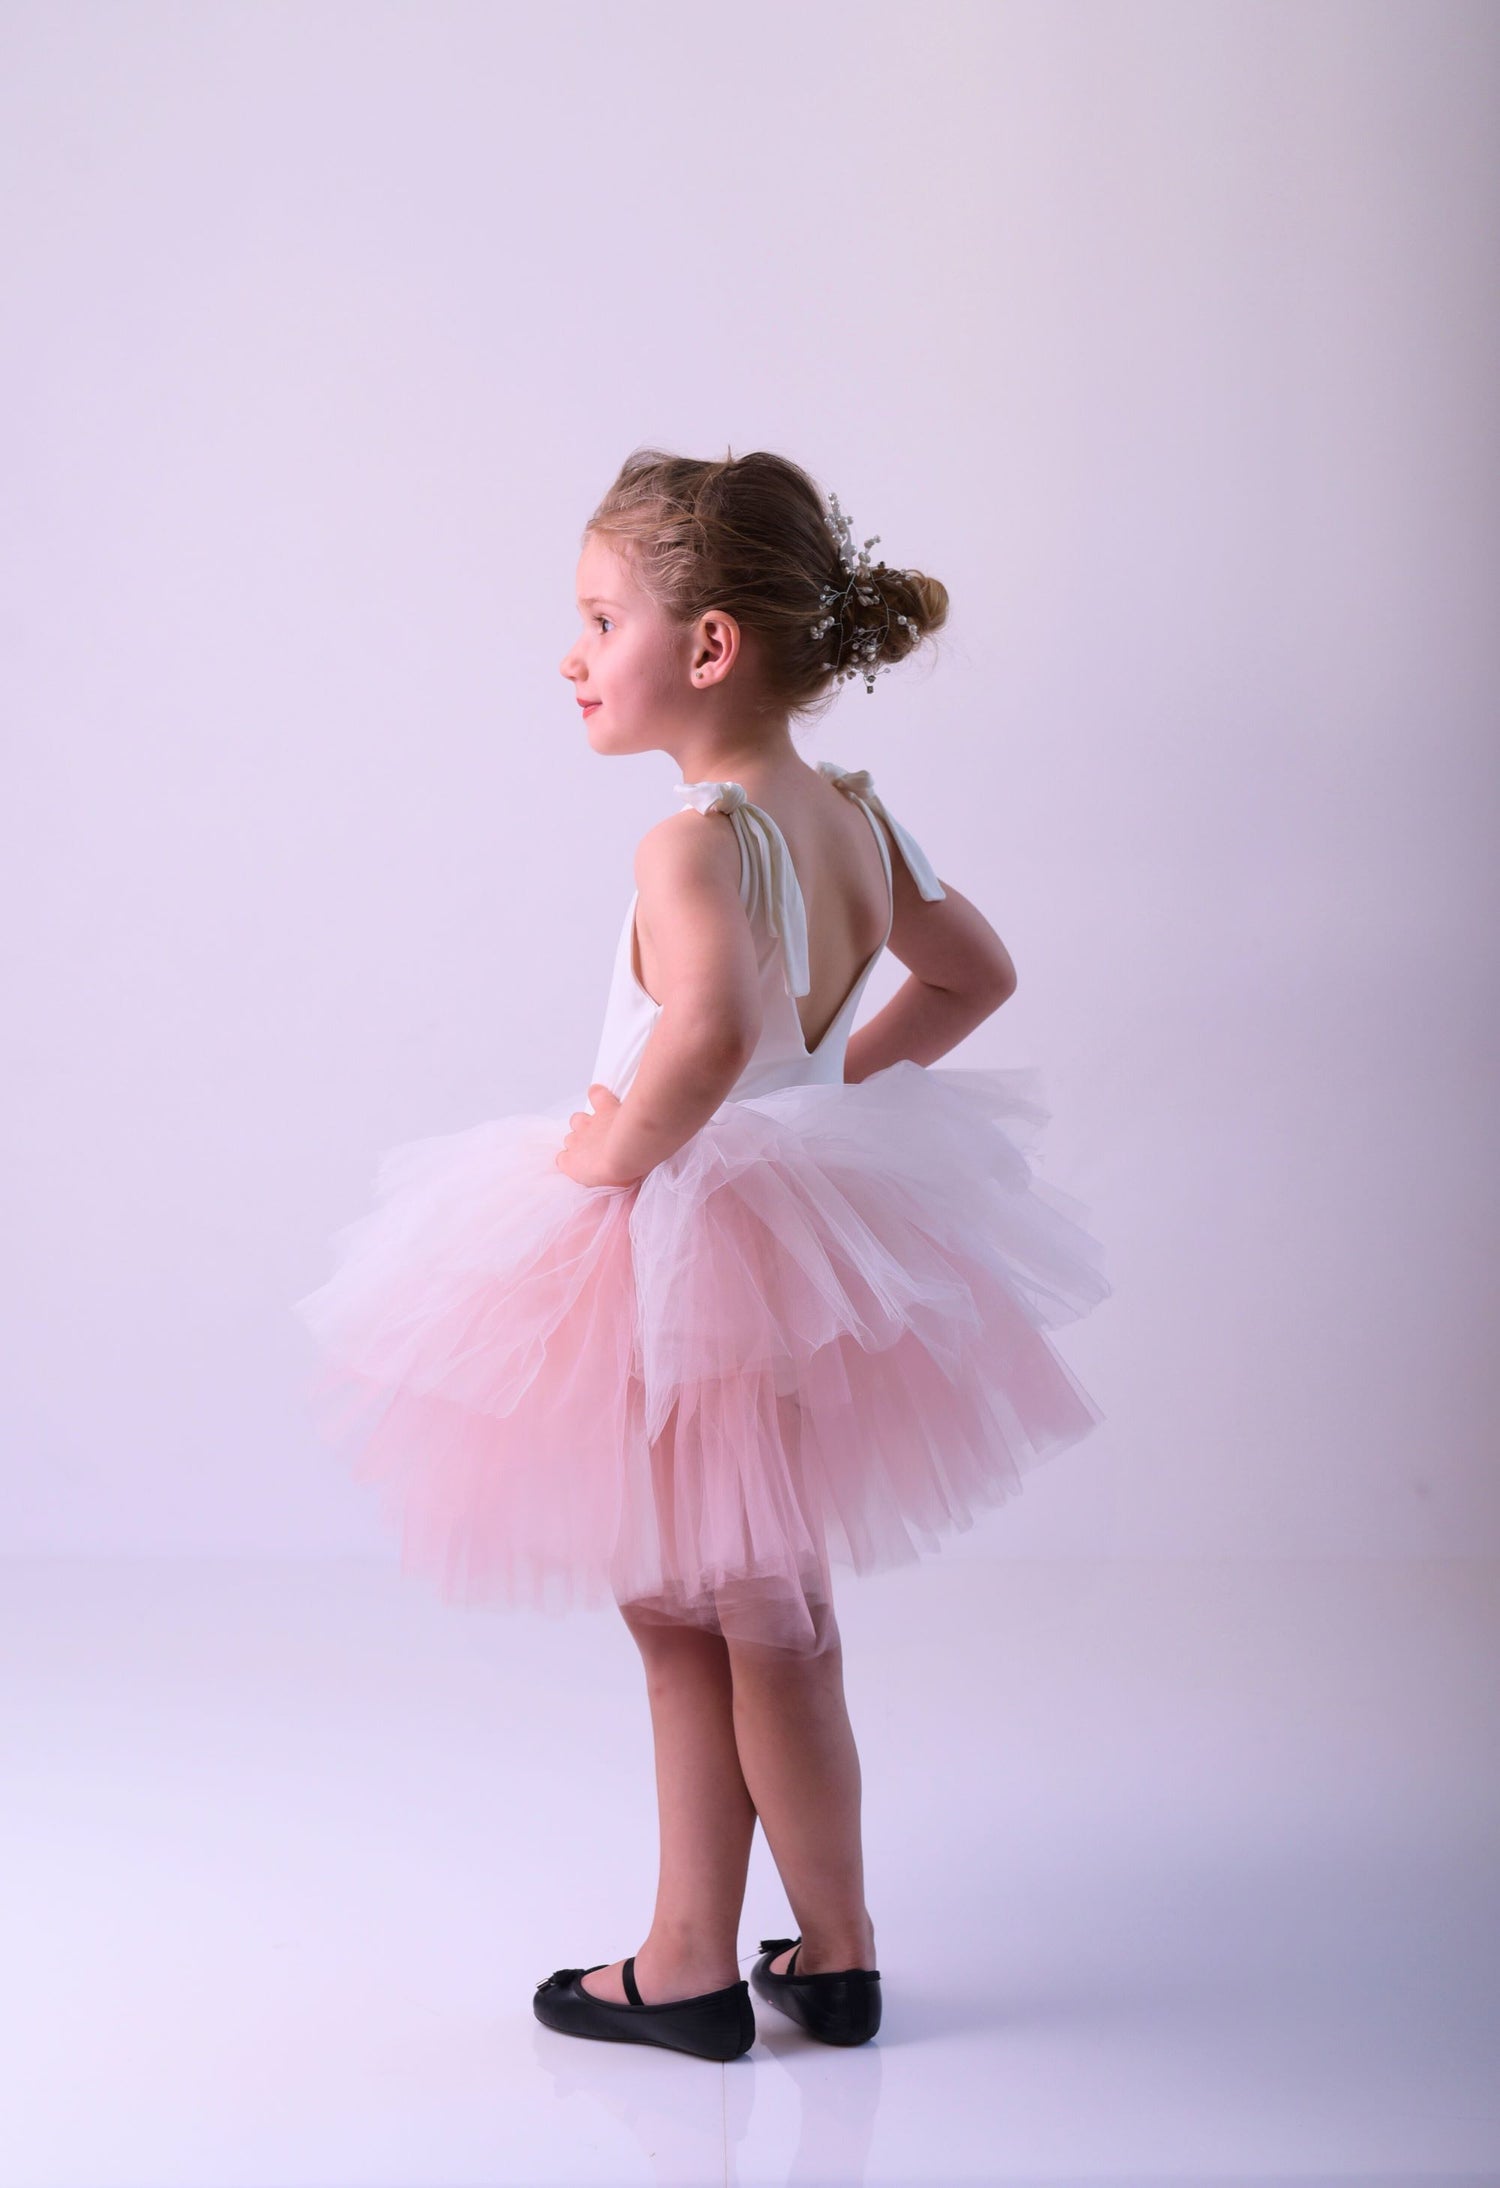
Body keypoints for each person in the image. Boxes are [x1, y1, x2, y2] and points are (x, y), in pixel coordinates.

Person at [293, 446, 1111, 2062]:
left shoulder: (690, 841)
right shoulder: (859, 820)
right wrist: (830, 1105)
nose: (573, 653)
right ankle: (841, 1950)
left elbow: (713, 1027)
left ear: (711, 645)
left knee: (681, 1613)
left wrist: (599, 1152)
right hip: (794, 1245)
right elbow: (972, 980)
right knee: (784, 1611)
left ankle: (687, 1964)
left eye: (602, 618)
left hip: (680, 1245)